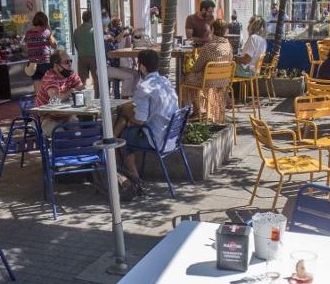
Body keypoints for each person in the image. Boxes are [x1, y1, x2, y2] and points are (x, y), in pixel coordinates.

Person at [113, 49, 179, 191]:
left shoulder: (145, 87)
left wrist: (127, 115)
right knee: (125, 118)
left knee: (124, 139)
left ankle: (136, 179)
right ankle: (111, 145)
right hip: (172, 137)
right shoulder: (166, 81)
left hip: (157, 139)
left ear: (142, 66)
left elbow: (140, 120)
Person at [182, 19, 232, 122]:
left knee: (187, 77)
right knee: (194, 77)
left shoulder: (208, 47)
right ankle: (203, 110)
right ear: (225, 31)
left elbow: (197, 67)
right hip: (224, 81)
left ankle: (198, 110)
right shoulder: (229, 46)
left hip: (208, 82)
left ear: (213, 30)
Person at [23, 11, 57, 80]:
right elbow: (54, 45)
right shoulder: (46, 32)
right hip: (45, 63)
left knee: (37, 85)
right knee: (48, 85)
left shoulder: (28, 33)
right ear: (45, 21)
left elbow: (26, 47)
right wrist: (50, 31)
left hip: (33, 64)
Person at [72, 11, 97, 89]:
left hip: (81, 57)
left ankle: (81, 98)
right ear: (91, 18)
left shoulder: (77, 30)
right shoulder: (94, 29)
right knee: (97, 80)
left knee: (82, 81)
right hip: (93, 57)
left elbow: (76, 44)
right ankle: (97, 97)